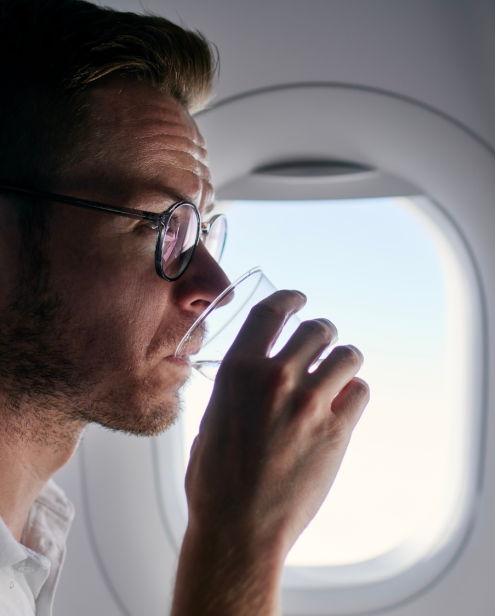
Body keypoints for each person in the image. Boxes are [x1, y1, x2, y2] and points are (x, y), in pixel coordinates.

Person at [0, 1, 370, 614]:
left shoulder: (28, 535)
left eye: (202, 230)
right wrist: (240, 538)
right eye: (160, 227)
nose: (217, 286)